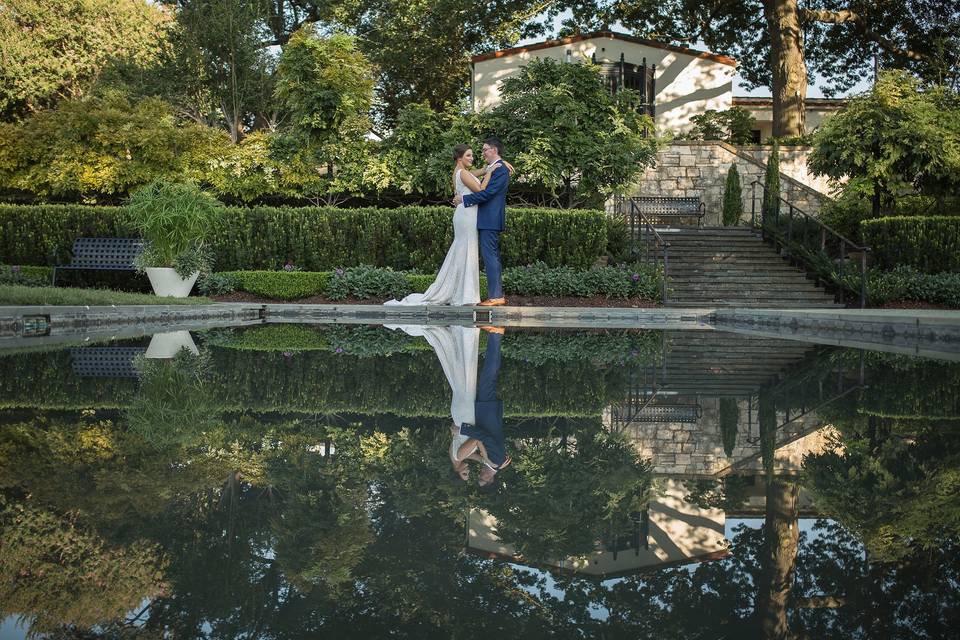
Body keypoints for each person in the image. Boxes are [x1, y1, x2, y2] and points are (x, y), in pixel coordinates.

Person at [385, 144, 508, 306]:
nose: (473, 158)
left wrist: (495, 166)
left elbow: (476, 173)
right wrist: (489, 173)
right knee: (466, 250)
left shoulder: (460, 172)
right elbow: (480, 189)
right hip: (466, 215)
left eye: (473, 155)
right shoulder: (463, 173)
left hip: (467, 214)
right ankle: (466, 294)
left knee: (465, 251)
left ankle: (465, 292)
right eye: (469, 156)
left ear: (494, 150)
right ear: (459, 158)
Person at [453, 137, 510, 307]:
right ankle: (494, 295)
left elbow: (487, 194)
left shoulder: (500, 170)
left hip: (490, 219)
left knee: (490, 256)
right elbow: (482, 173)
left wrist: (464, 199)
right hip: (482, 218)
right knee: (488, 256)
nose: (482, 152)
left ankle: (496, 296)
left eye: (485, 149)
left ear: (494, 150)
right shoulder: (495, 167)